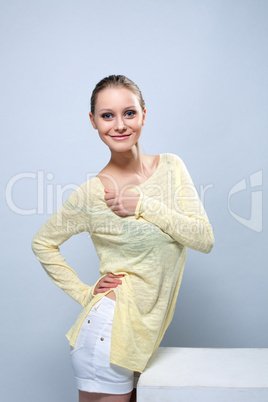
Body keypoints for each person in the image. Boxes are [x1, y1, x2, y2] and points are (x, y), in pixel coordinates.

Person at [31, 74, 215, 402]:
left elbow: (204, 239)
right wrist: (85, 292)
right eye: (107, 115)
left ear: (144, 113)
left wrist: (144, 204)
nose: (119, 125)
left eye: (129, 113)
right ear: (93, 122)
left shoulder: (172, 168)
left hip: (138, 337)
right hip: (107, 334)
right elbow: (43, 242)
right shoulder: (92, 194)